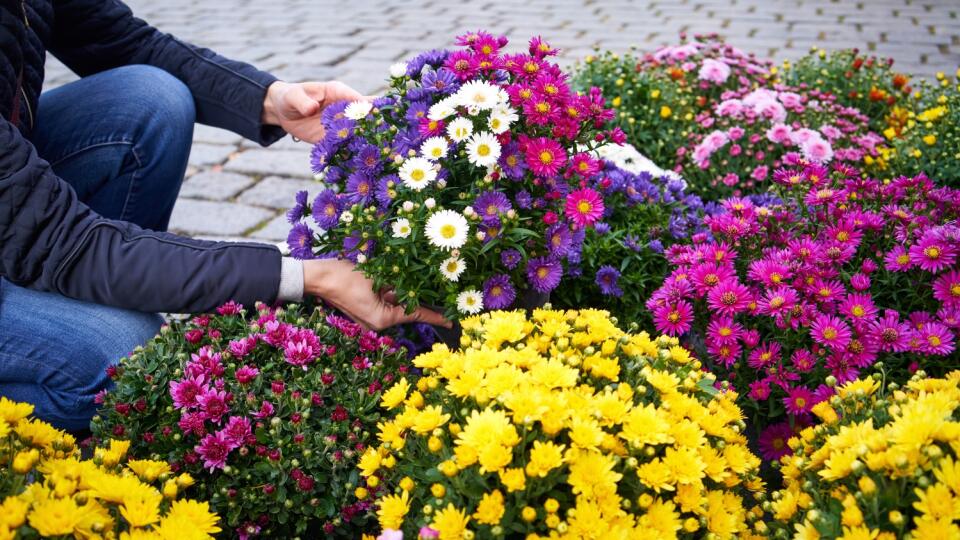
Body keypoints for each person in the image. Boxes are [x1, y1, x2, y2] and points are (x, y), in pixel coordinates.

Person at [0, 0, 446, 431]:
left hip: (18, 203)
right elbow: (66, 243)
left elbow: (117, 39)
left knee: (152, 98)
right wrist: (311, 276)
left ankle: (85, 296)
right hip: (35, 226)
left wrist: (273, 100)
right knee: (129, 356)